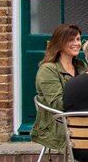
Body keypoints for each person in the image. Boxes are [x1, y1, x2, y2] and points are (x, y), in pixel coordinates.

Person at [30, 24, 81, 155]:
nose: (77, 44)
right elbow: (58, 103)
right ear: (59, 43)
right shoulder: (48, 69)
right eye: (71, 40)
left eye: (78, 39)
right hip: (58, 123)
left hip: (82, 117)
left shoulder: (81, 66)